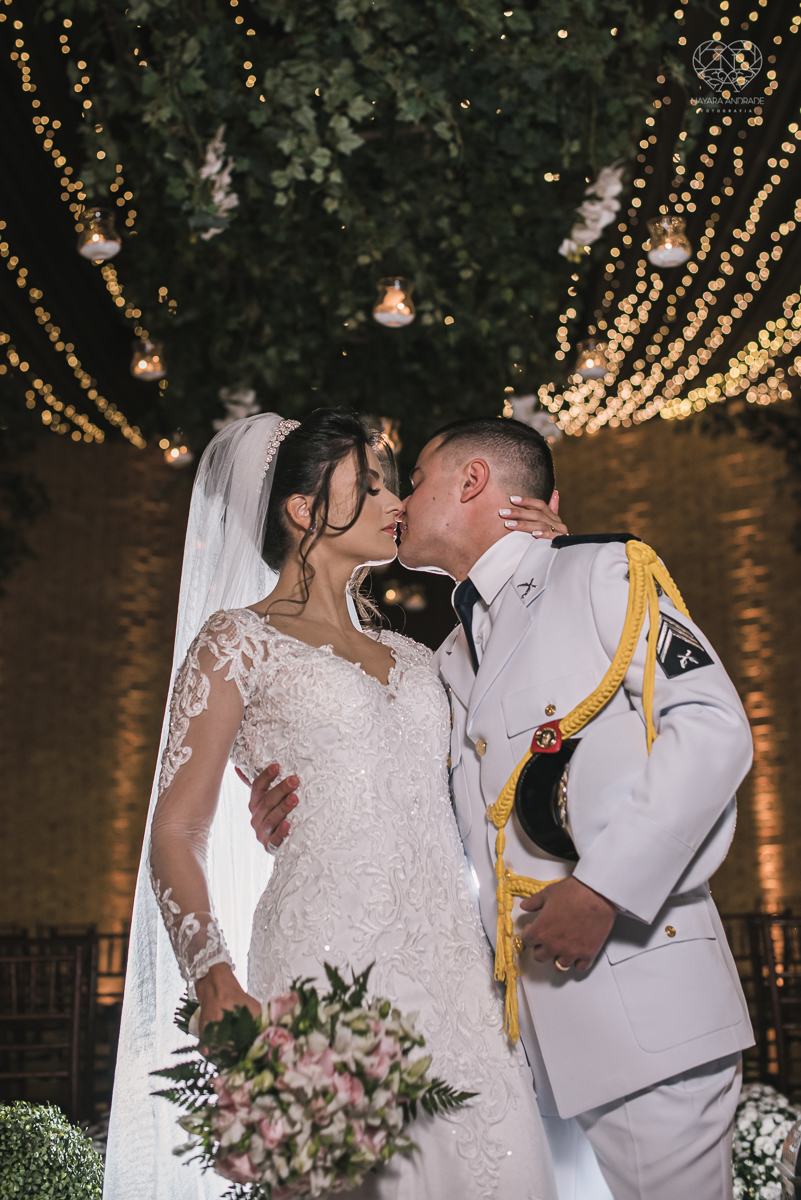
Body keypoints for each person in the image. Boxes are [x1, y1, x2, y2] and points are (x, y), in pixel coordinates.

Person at [103, 409, 566, 1200]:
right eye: (374, 484)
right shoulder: (233, 642)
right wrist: (211, 975)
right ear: (304, 510)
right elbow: (176, 828)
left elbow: (514, 742)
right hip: (325, 957)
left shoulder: (423, 657)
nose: (395, 503)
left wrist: (547, 564)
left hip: (452, 967)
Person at [395, 416, 755, 1200]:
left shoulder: (598, 574)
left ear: (471, 481)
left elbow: (712, 730)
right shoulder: (452, 652)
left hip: (640, 1004)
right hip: (525, 1037)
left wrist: (604, 888)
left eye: (415, 479)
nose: (402, 497)